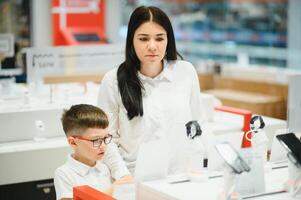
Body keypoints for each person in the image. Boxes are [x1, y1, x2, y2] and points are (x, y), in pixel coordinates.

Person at [98, 6, 203, 173]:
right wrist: (122, 175)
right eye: (144, 39)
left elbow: (197, 124)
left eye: (159, 39)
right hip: (134, 177)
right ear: (131, 40)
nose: (152, 46)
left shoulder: (186, 72)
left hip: (181, 175)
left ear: (168, 40)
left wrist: (197, 165)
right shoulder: (113, 80)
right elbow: (106, 138)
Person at [54, 104, 133, 200]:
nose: (103, 146)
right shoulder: (64, 174)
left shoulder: (105, 166)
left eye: (106, 138)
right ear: (73, 142)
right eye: (96, 140)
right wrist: (113, 189)